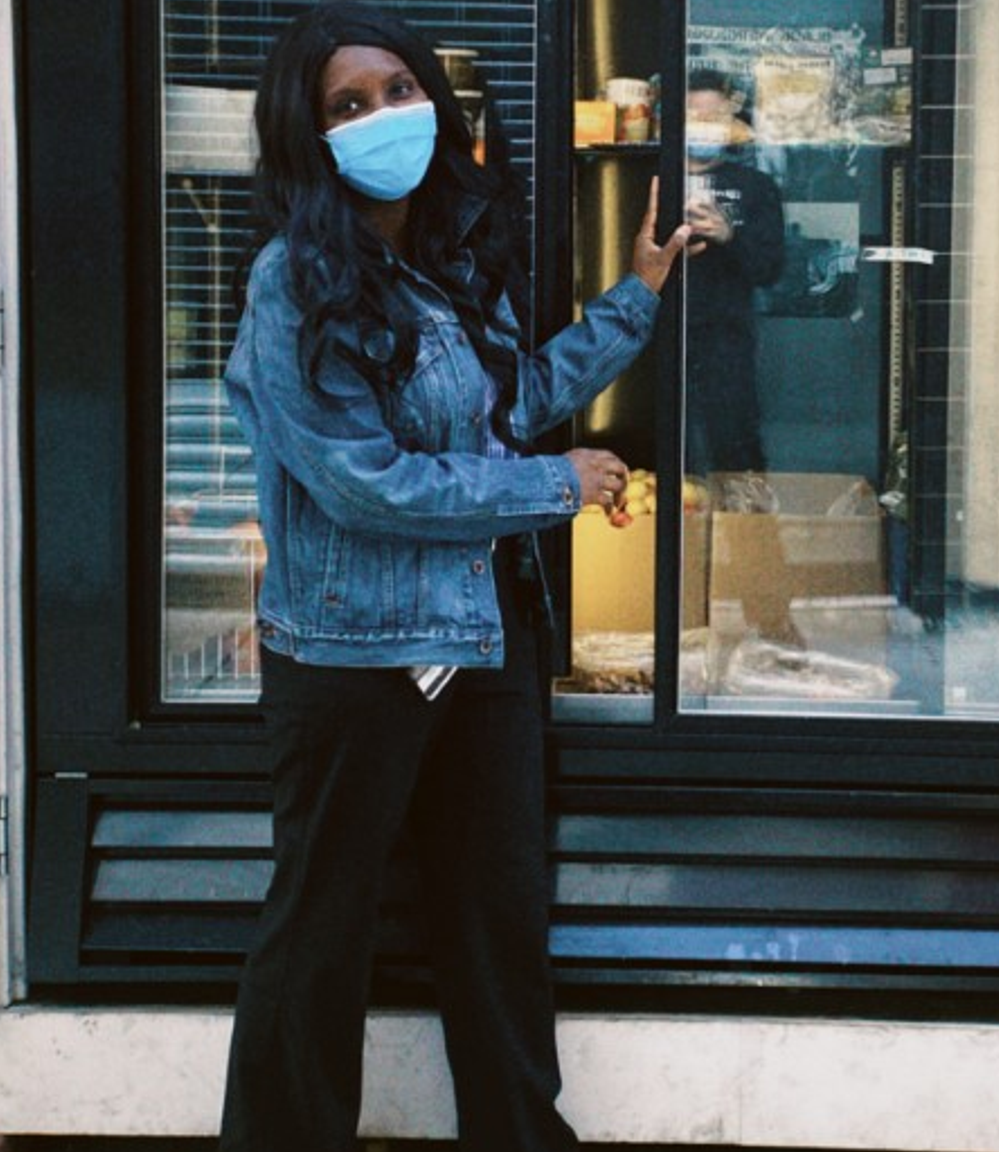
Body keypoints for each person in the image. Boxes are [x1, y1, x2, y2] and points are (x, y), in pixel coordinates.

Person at [216, 5, 691, 1151]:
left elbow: (506, 406)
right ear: (308, 135)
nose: (384, 116)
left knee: (496, 925)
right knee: (320, 934)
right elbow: (365, 484)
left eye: (398, 89)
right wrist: (555, 485)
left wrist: (634, 300)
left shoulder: (444, 261)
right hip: (354, 658)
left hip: (484, 638)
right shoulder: (291, 283)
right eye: (349, 104)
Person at [682, 68, 785, 473]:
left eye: (714, 117)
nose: (704, 126)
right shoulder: (647, 177)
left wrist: (729, 235)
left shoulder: (756, 186)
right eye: (694, 116)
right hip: (656, 337)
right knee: (660, 449)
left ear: (731, 123)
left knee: (735, 447)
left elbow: (770, 269)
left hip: (727, 340)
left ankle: (741, 516)